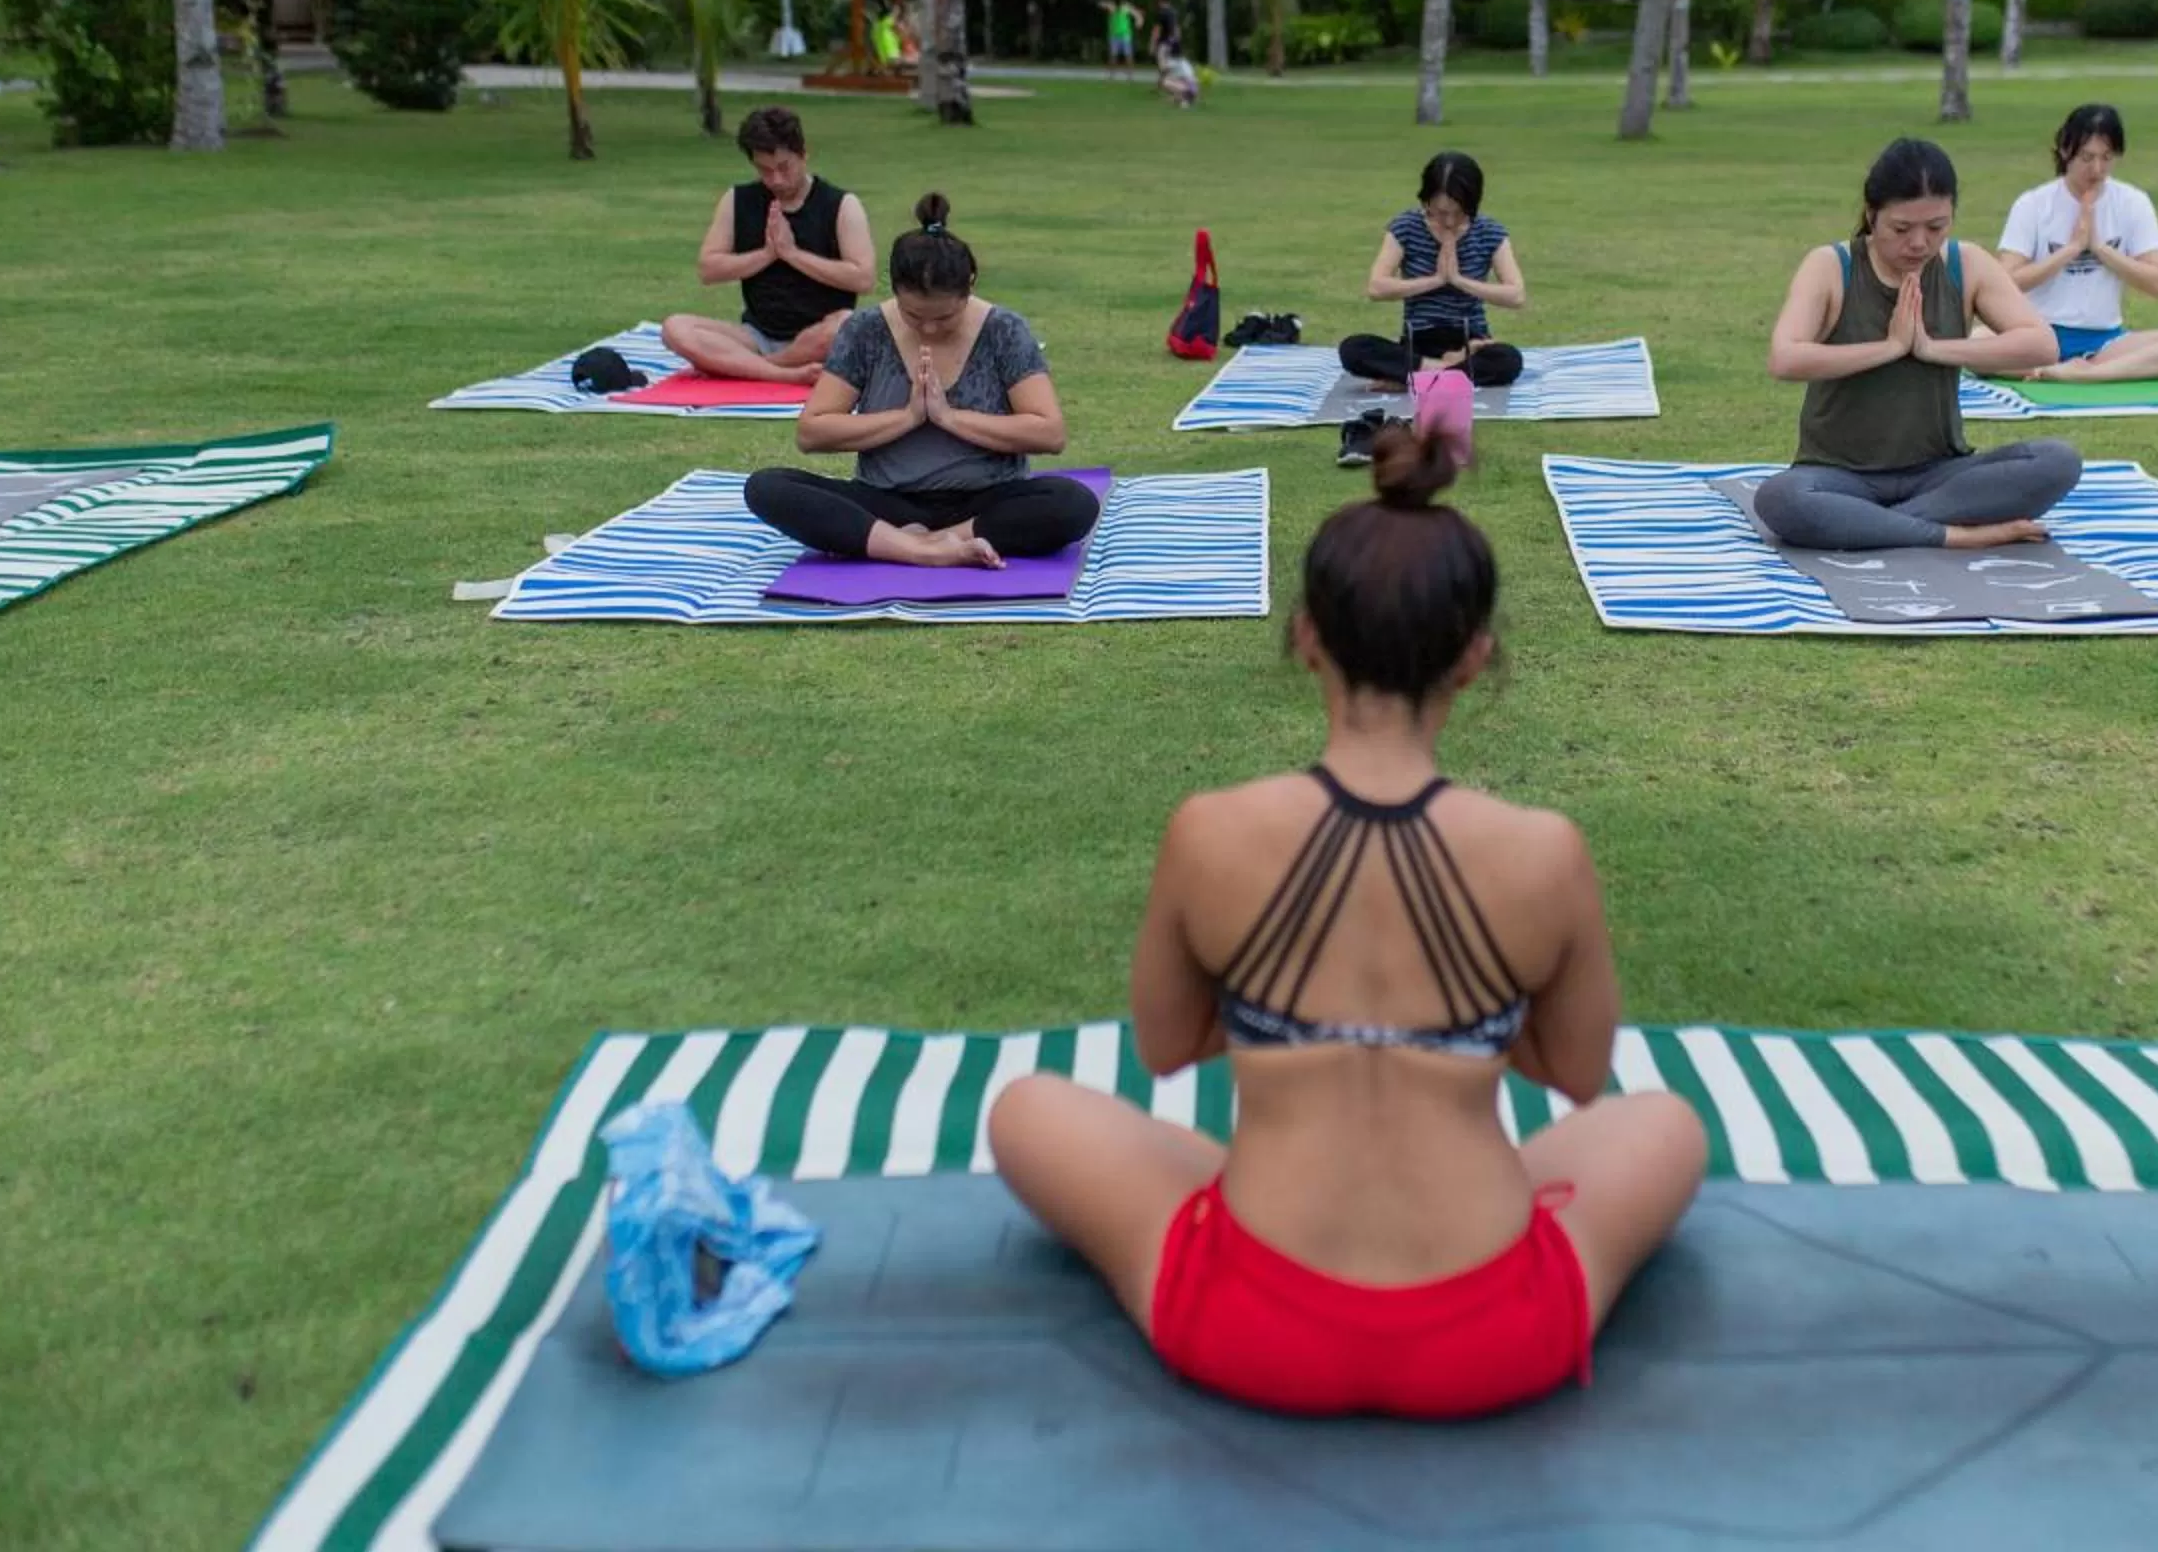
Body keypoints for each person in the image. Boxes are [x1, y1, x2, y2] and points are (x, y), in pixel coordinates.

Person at [989, 425, 1706, 1419]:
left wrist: (1301, 1040)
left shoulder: (1213, 831)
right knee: (1664, 1121)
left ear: (1308, 636)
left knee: (1026, 1108)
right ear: (1475, 656)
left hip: (1250, 1318)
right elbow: (1578, 1075)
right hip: (1495, 1328)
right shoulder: (1541, 849)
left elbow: (1165, 1044)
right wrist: (1448, 1040)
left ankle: (1266, 1163)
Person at [1757, 138, 2084, 551]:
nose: (1919, 243)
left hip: (1939, 475)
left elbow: (2041, 346)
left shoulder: (1965, 263)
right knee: (1781, 498)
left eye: (1936, 227)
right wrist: (1890, 347)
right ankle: (1950, 535)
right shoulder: (1830, 266)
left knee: (2058, 461)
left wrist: (1933, 349)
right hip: (1840, 477)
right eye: (1901, 228)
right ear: (1872, 215)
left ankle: (1876, 527)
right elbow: (1784, 358)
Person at [742, 198, 1099, 569]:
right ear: (894, 289)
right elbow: (812, 432)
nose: (929, 328)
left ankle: (947, 538)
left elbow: (1049, 433)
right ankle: (920, 549)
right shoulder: (865, 331)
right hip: (888, 501)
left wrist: (949, 418)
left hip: (986, 500)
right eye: (914, 315)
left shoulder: (1004, 331)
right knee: (767, 487)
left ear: (969, 287)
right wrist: (909, 417)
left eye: (945, 317)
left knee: (1074, 504)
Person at [1991, 104, 2158, 384]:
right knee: (1975, 341)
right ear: (2066, 151)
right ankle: (2053, 365)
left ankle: (2089, 373)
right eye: (2087, 157)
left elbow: (2157, 282)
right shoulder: (2034, 204)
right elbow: (2006, 282)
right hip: (2037, 335)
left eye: (2107, 157)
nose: (2097, 169)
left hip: (2106, 342)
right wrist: (2071, 250)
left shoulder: (2132, 202)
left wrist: (2101, 249)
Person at [661, 106, 877, 385]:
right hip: (756, 336)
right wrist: (768, 254)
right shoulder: (738, 200)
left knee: (849, 325)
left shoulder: (841, 205)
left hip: (820, 334)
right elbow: (708, 269)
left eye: (784, 168)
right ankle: (783, 373)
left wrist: (792, 254)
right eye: (765, 170)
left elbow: (863, 278)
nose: (776, 179)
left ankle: (754, 368)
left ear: (803, 153)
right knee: (674, 328)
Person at [1341, 152, 1527, 392]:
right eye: (1439, 212)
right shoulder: (1406, 227)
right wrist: (1436, 280)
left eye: (1458, 212)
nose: (1448, 221)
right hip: (1419, 342)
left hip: (1470, 343)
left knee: (1509, 360)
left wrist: (1459, 281)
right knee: (1352, 349)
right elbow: (1376, 287)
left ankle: (1412, 379)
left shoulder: (1489, 232)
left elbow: (1516, 295)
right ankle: (1444, 372)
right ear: (1425, 200)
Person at [1104, 0, 1144, 76]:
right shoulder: (1112, 8)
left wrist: (1139, 22)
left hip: (1124, 35)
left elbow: (1137, 14)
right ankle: (1112, 73)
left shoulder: (1125, 8)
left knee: (1127, 54)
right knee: (1113, 54)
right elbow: (1103, 4)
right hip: (1114, 35)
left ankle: (1129, 73)